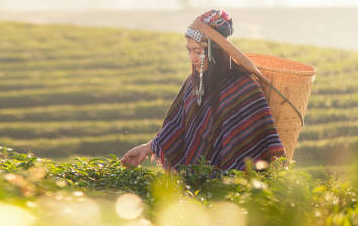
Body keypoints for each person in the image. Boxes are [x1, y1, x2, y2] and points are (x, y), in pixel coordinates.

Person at [120, 9, 285, 171]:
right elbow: (178, 125)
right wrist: (146, 148)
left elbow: (256, 143)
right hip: (196, 185)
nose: (192, 58)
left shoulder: (243, 88)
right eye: (189, 50)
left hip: (234, 187)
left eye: (198, 51)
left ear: (216, 52)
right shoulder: (194, 84)